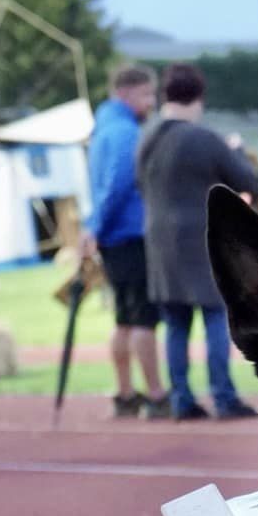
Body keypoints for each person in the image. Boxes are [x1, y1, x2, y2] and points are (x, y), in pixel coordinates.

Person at [136, 63, 258, 421]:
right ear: (199, 97)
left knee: (176, 325)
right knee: (215, 317)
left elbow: (138, 185)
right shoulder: (203, 139)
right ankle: (223, 397)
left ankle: (182, 399)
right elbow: (248, 181)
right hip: (200, 242)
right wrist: (236, 149)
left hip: (159, 242)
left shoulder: (146, 139)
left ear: (165, 94)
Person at [83, 64, 169, 418]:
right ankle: (155, 394)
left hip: (112, 236)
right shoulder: (124, 133)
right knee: (142, 318)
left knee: (122, 318)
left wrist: (95, 227)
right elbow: (117, 184)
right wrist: (98, 225)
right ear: (126, 92)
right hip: (130, 233)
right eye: (147, 94)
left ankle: (124, 393)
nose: (152, 102)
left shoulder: (101, 129)